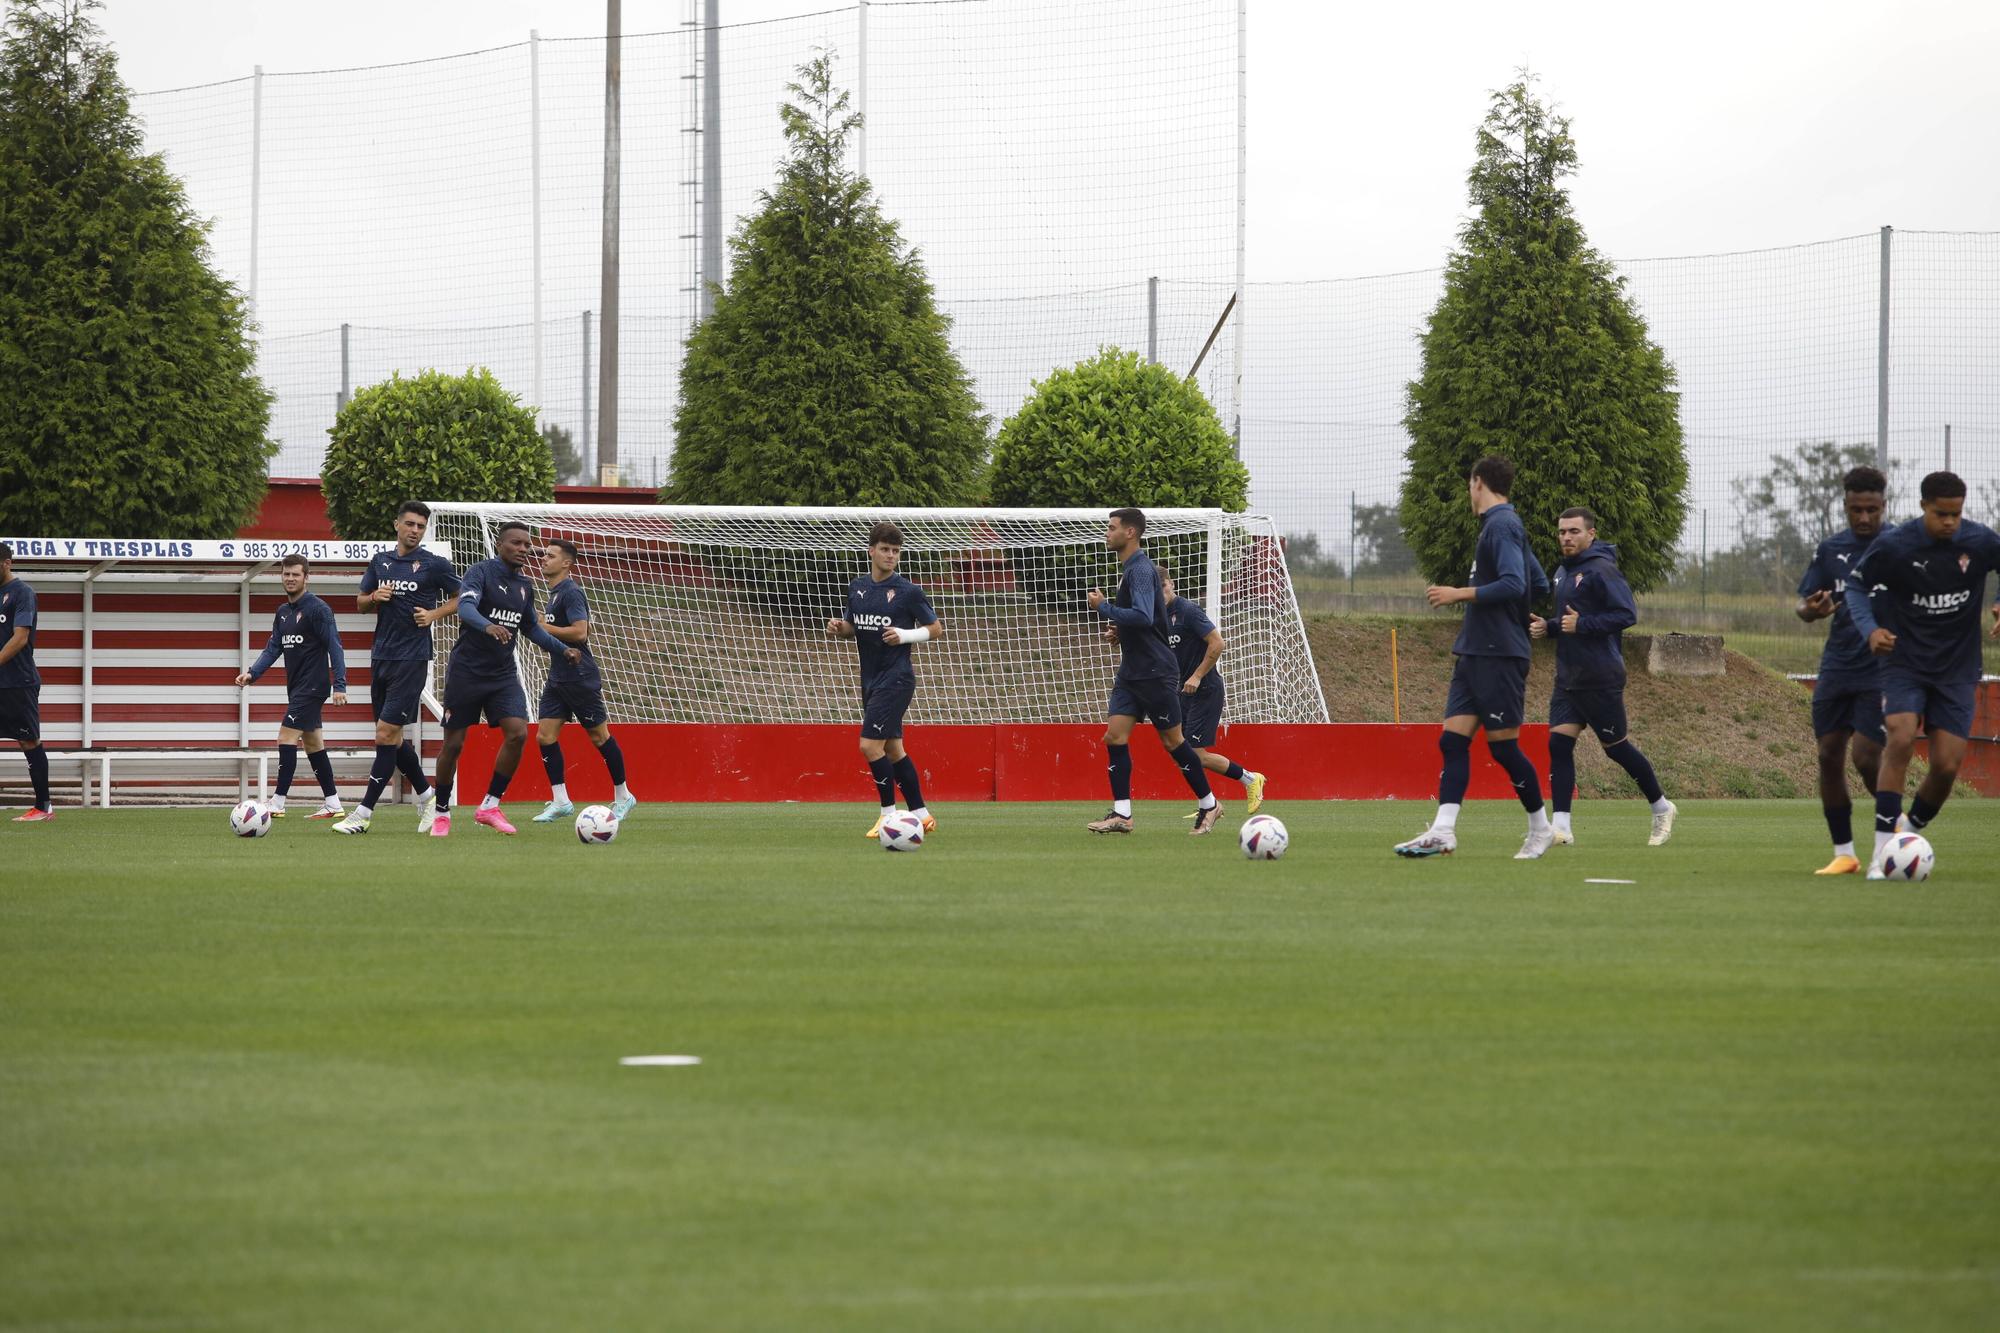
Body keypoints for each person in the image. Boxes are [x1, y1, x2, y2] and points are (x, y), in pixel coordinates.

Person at [1394, 456, 1555, 860]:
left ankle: (1541, 829)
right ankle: (1443, 831)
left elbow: (1516, 583)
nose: (1469, 491)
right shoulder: (1502, 526)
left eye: (1470, 484)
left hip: (1498, 654)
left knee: (1503, 750)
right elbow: (1536, 582)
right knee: (1452, 741)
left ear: (1477, 482)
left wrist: (1459, 594)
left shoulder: (1502, 525)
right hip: (1475, 650)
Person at [1843, 471, 2000, 877]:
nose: (1949, 522)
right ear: (1922, 507)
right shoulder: (1896, 546)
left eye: (1956, 514)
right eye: (1940, 514)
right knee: (1900, 735)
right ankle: (1882, 853)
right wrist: (1870, 630)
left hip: (1957, 668)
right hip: (1905, 663)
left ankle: (1907, 832)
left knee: (1947, 765)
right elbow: (1856, 588)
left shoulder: (1979, 541)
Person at [1528, 508, 1676, 847]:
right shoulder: (1562, 573)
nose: (1566, 537)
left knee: (1616, 749)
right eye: (1562, 531)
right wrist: (1548, 627)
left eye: (1574, 531)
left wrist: (1583, 625)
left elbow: (1626, 614)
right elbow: (1568, 620)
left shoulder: (1602, 569)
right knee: (1559, 744)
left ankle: (1661, 807)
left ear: (1591, 534)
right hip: (1569, 676)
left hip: (1600, 676)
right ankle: (1560, 827)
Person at [429, 522, 578, 838]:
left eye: (527, 544)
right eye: (516, 543)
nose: (523, 549)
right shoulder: (480, 573)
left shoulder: (525, 585)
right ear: (500, 545)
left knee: (518, 733)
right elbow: (466, 608)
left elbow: (532, 629)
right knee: (453, 745)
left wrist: (563, 649)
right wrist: (488, 626)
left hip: (502, 675)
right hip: (466, 672)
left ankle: (489, 806)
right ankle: (441, 811)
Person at [1084, 508, 1223, 835]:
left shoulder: (1141, 570)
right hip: (1132, 671)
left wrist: (1104, 607)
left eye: (1112, 527)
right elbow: (1147, 619)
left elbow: (1144, 616)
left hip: (1155, 672)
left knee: (1174, 742)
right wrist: (1120, 630)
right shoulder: (1131, 569)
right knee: (1114, 736)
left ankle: (1209, 804)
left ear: (1130, 532)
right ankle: (1122, 814)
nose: (1107, 533)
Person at [333, 501, 460, 834]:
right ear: (397, 525)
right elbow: (360, 603)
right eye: (410, 524)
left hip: (413, 659)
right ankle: (428, 797)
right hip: (381, 657)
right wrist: (375, 596)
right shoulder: (381, 562)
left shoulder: (433, 565)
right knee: (393, 738)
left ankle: (362, 813)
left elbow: (464, 595)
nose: (415, 530)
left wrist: (433, 615)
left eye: (420, 526)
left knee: (384, 734)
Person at [1793, 467, 1888, 875]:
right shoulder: (1831, 549)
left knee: (1866, 757)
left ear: (1884, 505)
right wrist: (1809, 611)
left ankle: (1893, 834)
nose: (1863, 518)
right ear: (1845, 505)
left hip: (1883, 668)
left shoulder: (1900, 545)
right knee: (1828, 755)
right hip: (1837, 667)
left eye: (1871, 510)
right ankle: (1845, 853)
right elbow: (1803, 606)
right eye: (1855, 510)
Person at [824, 522, 943, 838]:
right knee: (892, 748)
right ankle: (922, 814)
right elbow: (853, 626)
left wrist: (905, 634)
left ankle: (887, 815)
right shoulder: (858, 587)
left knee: (868, 745)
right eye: (886, 550)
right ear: (871, 551)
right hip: (870, 679)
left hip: (897, 679)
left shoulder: (908, 592)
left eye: (896, 551)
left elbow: (935, 628)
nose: (891, 556)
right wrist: (840, 628)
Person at [530, 539, 638, 824]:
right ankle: (561, 801)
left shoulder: (571, 592)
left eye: (550, 556)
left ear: (566, 563)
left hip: (579, 676)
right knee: (545, 735)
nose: (543, 558)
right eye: (544, 554)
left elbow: (580, 633)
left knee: (599, 737)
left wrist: (542, 626)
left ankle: (624, 796)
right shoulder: (553, 594)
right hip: (558, 677)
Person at [234, 554, 348, 819]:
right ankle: (333, 803)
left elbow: (335, 646)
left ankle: (278, 802)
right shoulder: (282, 612)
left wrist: (339, 684)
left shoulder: (318, 609)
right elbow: (273, 647)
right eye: (286, 574)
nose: (290, 579)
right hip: (297, 687)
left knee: (286, 738)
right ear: (281, 577)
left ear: (306, 578)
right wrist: (252, 673)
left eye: (296, 574)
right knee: (313, 744)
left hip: (313, 687)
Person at [1158, 566, 1268, 816]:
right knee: (1180, 753)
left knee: (1195, 754)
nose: (1160, 592)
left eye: (1163, 586)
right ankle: (1206, 804)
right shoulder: (1158, 616)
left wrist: (1197, 676)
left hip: (1205, 689)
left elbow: (1218, 643)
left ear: (1171, 583)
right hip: (1181, 692)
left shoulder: (1188, 611)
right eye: (1155, 589)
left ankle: (1251, 779)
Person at [0, 544, 52, 822]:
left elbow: (20, 638)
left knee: (28, 740)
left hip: (18, 682)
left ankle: (43, 807)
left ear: (7, 563)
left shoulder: (23, 593)